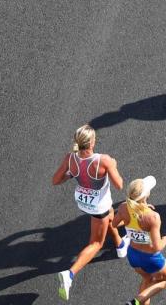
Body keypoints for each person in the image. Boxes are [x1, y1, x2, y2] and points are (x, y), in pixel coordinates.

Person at [51, 124, 128, 302]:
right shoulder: (104, 160)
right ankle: (70, 275)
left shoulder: (70, 159)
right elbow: (119, 185)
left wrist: (71, 175)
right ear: (92, 142)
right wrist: (113, 166)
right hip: (98, 206)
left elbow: (55, 180)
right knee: (96, 243)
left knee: (110, 215)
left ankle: (120, 246)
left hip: (85, 202)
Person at [114, 176, 166, 305]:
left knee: (148, 281)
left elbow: (114, 224)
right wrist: (165, 240)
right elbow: (157, 247)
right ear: (146, 194)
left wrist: (132, 215)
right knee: (165, 280)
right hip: (151, 258)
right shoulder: (152, 217)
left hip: (133, 255)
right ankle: (134, 303)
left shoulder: (123, 207)